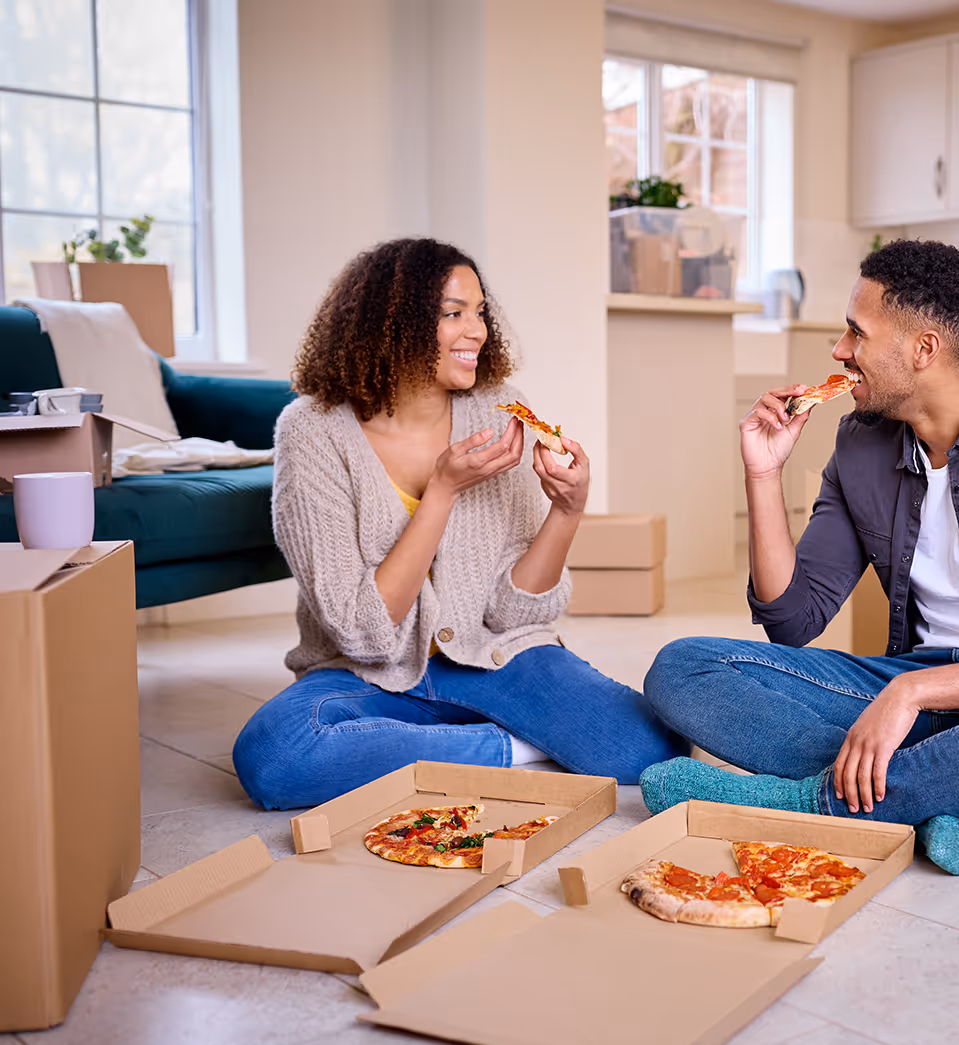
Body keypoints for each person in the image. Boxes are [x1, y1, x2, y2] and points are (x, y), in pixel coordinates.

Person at [637, 239, 959, 875]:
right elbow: (792, 619)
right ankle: (941, 795)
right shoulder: (862, 442)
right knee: (683, 669)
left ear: (923, 350)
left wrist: (913, 693)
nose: (838, 351)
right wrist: (763, 475)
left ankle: (812, 802)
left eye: (856, 333)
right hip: (909, 692)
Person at [233, 238, 685, 809]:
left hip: (491, 657)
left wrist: (567, 512)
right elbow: (360, 633)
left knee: (646, 747)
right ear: (390, 324)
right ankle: (508, 751)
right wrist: (441, 492)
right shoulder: (312, 431)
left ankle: (412, 752)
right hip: (366, 674)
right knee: (275, 754)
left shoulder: (499, 412)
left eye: (479, 313)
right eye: (453, 314)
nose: (477, 331)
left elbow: (514, 612)